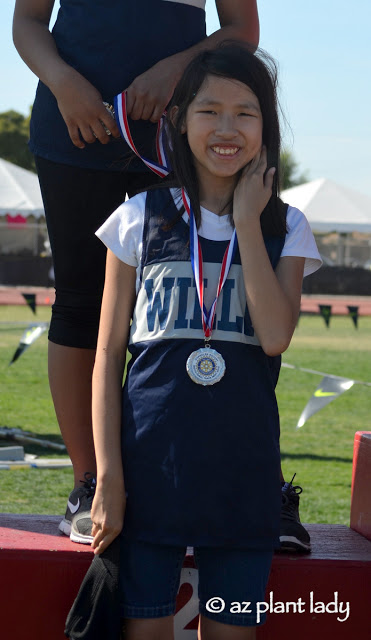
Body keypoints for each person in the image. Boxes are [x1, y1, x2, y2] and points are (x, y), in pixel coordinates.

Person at [90, 43, 322, 639]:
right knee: (145, 632)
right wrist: (109, 478)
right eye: (208, 110)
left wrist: (248, 218)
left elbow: (274, 337)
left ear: (266, 127)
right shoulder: (140, 214)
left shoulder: (286, 225)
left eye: (245, 113)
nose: (226, 128)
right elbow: (107, 357)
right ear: (179, 120)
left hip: (242, 480)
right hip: (149, 477)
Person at [12, 0, 260, 543]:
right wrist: (63, 84)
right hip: (72, 127)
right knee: (79, 302)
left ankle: (200, 477)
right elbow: (27, 21)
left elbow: (243, 29)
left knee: (196, 305)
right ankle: (89, 480)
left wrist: (180, 69)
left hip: (182, 134)